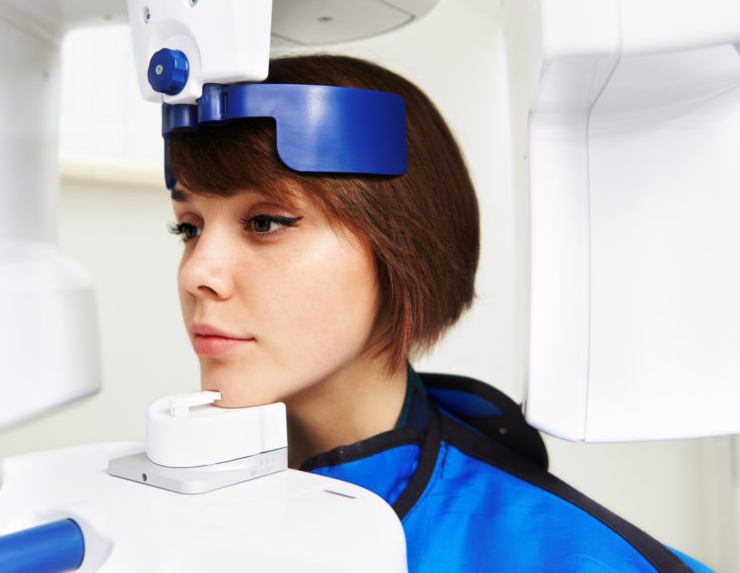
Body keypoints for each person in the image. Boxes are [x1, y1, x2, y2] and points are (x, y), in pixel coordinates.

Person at [165, 54, 710, 572]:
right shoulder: (161, 518)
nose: (197, 273)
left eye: (265, 223)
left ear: (402, 247)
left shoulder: (575, 560)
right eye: (189, 228)